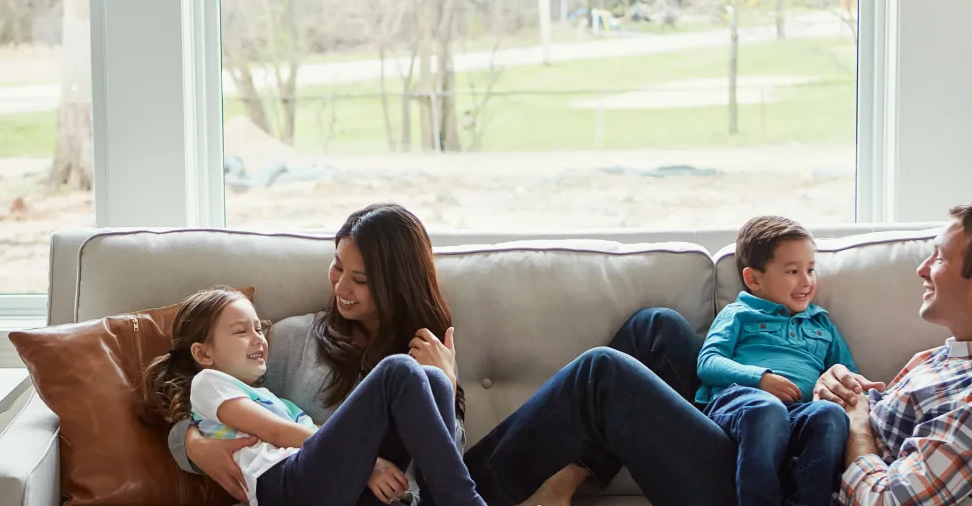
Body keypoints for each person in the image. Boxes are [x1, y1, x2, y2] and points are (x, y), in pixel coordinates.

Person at [169, 203, 705, 506]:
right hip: (370, 496)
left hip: (443, 486)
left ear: (397, 283)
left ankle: (562, 485)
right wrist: (192, 445)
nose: (342, 288)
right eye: (338, 268)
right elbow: (207, 391)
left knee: (652, 332)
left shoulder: (426, 346)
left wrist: (446, 386)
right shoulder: (290, 340)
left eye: (361, 279)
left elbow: (445, 458)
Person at [147, 288, 483, 506]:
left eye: (259, 328)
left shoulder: (273, 398)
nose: (259, 338)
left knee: (434, 379)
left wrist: (363, 463)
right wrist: (366, 460)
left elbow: (323, 433)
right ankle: (461, 500)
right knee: (398, 370)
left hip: (320, 483)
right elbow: (277, 433)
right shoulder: (210, 383)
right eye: (240, 331)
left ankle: (437, 498)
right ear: (203, 354)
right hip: (283, 486)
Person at [813, 204, 972, 506]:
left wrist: (855, 424)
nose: (922, 269)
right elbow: (880, 425)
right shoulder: (948, 358)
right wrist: (845, 389)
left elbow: (890, 502)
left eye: (939, 257)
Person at [697, 216, 855, 506]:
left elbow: (845, 374)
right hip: (739, 408)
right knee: (767, 409)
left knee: (830, 417)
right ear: (753, 279)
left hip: (798, 414)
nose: (806, 281)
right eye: (793, 271)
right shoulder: (740, 313)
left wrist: (853, 387)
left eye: (810, 270)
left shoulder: (821, 324)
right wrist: (761, 379)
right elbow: (708, 362)